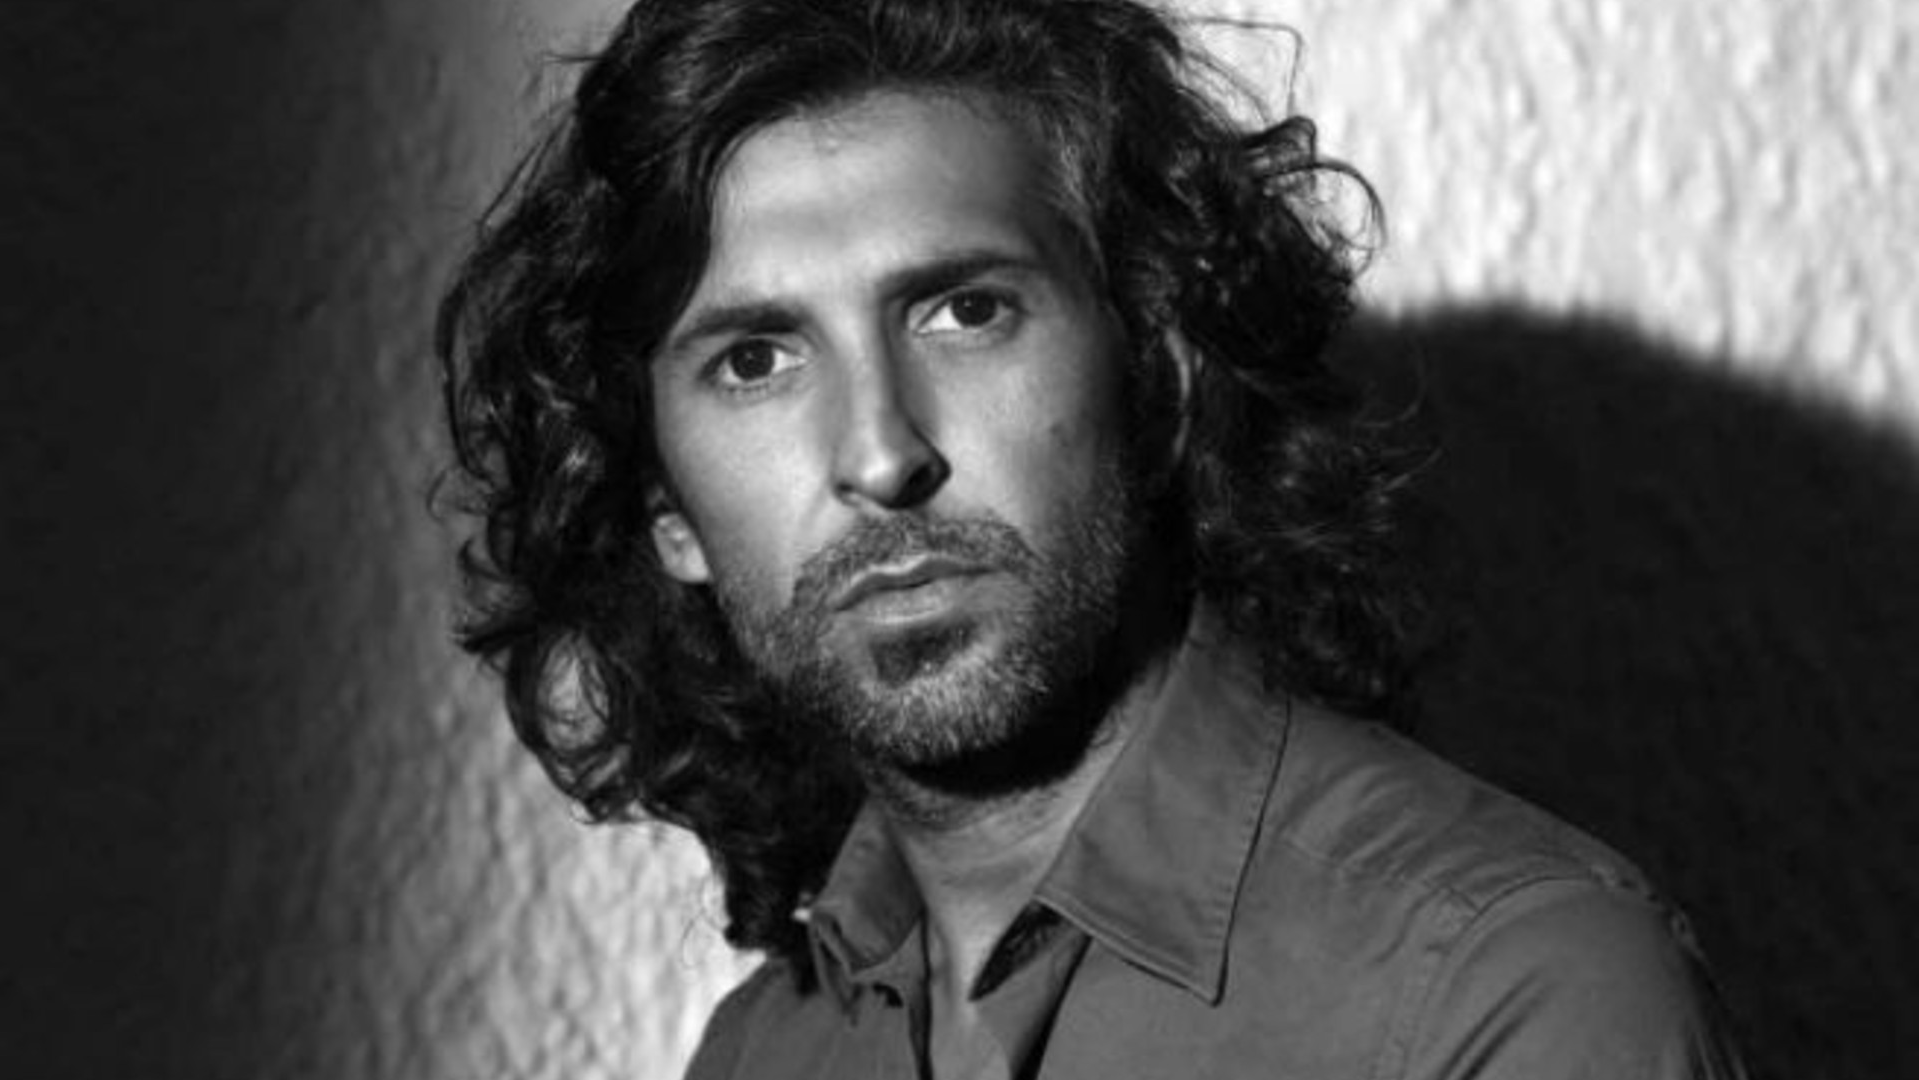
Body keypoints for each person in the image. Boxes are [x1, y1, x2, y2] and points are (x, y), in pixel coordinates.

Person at [436, 1, 1748, 1076]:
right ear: (666, 508)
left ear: (1159, 374)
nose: (881, 456)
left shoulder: (1503, 992)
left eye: (965, 311)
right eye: (756, 360)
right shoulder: (765, 1054)